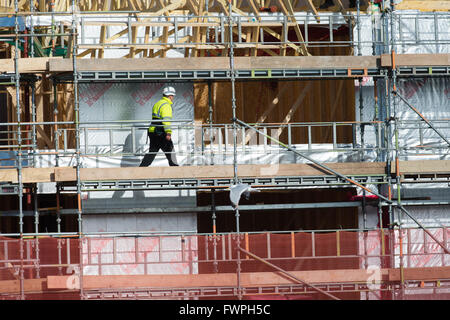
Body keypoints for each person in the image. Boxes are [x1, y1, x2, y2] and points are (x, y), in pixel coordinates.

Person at [139, 86, 179, 167]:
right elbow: (166, 120)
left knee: (152, 152)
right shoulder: (166, 105)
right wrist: (168, 132)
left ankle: (141, 169)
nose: (173, 98)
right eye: (173, 96)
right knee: (170, 150)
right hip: (160, 131)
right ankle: (175, 169)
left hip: (153, 131)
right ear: (170, 96)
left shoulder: (157, 103)